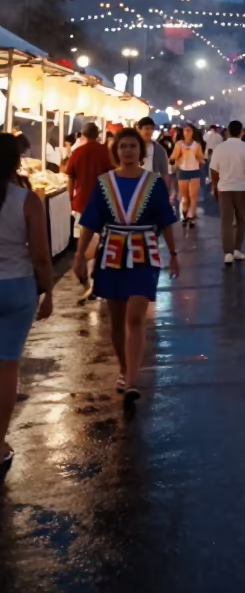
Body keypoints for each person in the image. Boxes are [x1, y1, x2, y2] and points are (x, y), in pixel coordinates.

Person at [73, 128, 178, 403]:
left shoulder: (154, 183)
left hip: (144, 253)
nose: (128, 151)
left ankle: (132, 379)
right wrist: (79, 254)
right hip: (112, 254)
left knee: (135, 317)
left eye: (133, 146)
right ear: (116, 151)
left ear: (140, 151)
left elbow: (165, 219)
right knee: (117, 321)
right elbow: (90, 221)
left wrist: (175, 253)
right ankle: (123, 367)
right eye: (123, 147)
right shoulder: (104, 182)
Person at [0, 134, 53, 482]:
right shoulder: (27, 200)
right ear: (16, 162)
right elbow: (39, 253)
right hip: (17, 288)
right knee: (6, 368)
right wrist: (48, 290)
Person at [210, 120, 245, 266]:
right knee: (240, 220)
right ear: (241, 132)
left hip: (224, 188)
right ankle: (237, 249)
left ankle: (228, 253)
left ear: (228, 131)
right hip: (242, 188)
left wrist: (214, 186)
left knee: (226, 221)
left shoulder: (219, 148)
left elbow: (213, 170)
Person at [66, 122, 114, 221]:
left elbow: (70, 177)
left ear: (83, 134)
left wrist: (69, 199)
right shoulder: (106, 152)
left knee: (82, 233)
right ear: (97, 135)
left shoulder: (77, 152)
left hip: (81, 201)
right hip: (102, 200)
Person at [170, 124, 204, 226]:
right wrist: (173, 160)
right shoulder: (179, 144)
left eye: (189, 130)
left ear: (193, 132)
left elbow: (200, 158)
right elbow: (173, 157)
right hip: (183, 172)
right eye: (186, 130)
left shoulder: (197, 145)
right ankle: (185, 214)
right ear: (183, 132)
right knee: (185, 197)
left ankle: (191, 216)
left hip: (195, 172)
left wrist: (200, 161)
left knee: (193, 196)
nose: (187, 132)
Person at [136, 117, 170, 183]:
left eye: (152, 129)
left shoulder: (159, 150)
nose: (150, 131)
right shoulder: (130, 147)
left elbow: (164, 173)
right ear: (139, 129)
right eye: (147, 128)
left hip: (151, 185)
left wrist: (165, 190)